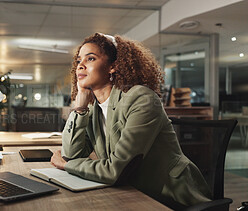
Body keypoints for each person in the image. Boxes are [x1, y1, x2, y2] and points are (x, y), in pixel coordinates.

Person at [50, 33, 212, 209]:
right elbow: (71, 154)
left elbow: (115, 170)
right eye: (79, 60)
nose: (80, 65)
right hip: (129, 192)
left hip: (171, 198)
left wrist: (66, 165)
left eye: (90, 58)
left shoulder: (141, 98)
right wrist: (80, 108)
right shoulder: (92, 109)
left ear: (113, 66)